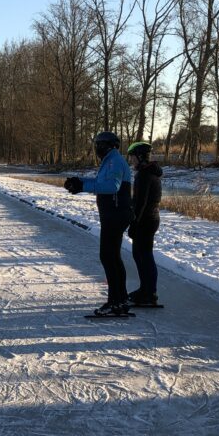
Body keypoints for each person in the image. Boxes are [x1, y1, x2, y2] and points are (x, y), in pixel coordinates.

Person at [64, 131, 133, 316]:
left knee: (108, 256)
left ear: (107, 145)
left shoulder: (114, 161)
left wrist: (83, 187)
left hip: (116, 214)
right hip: (112, 213)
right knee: (112, 257)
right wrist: (79, 182)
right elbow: (99, 182)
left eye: (98, 145)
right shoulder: (110, 160)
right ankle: (121, 299)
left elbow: (112, 186)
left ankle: (115, 302)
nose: (96, 148)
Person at [126, 141, 163, 307]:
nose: (131, 160)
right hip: (150, 219)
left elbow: (140, 202)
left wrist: (134, 223)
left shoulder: (144, 175)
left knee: (144, 256)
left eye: (132, 157)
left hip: (145, 220)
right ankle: (146, 289)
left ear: (140, 157)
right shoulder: (149, 172)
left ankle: (149, 293)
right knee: (141, 255)